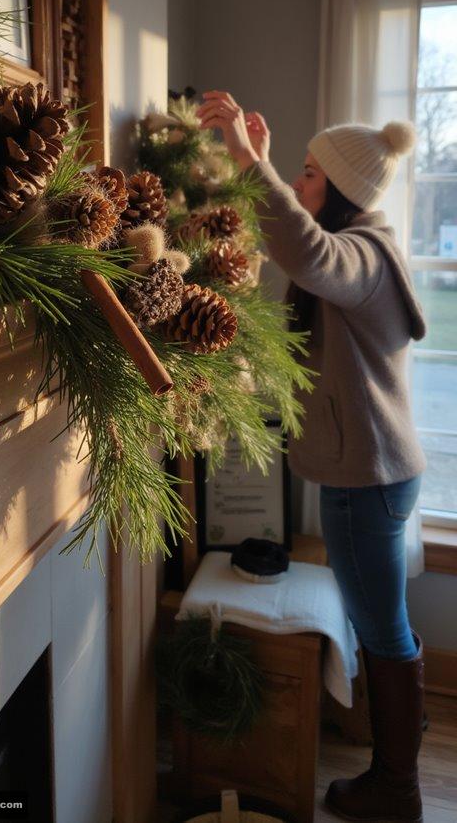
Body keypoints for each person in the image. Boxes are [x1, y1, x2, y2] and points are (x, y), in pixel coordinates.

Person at [196, 90, 426, 823]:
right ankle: (401, 758)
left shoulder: (358, 256)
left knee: (382, 630)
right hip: (379, 473)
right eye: (296, 172)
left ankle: (396, 789)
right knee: (384, 624)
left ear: (342, 192)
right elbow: (297, 240)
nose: (298, 185)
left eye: (308, 176)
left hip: (368, 480)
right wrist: (260, 164)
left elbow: (305, 251)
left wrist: (245, 160)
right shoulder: (370, 246)